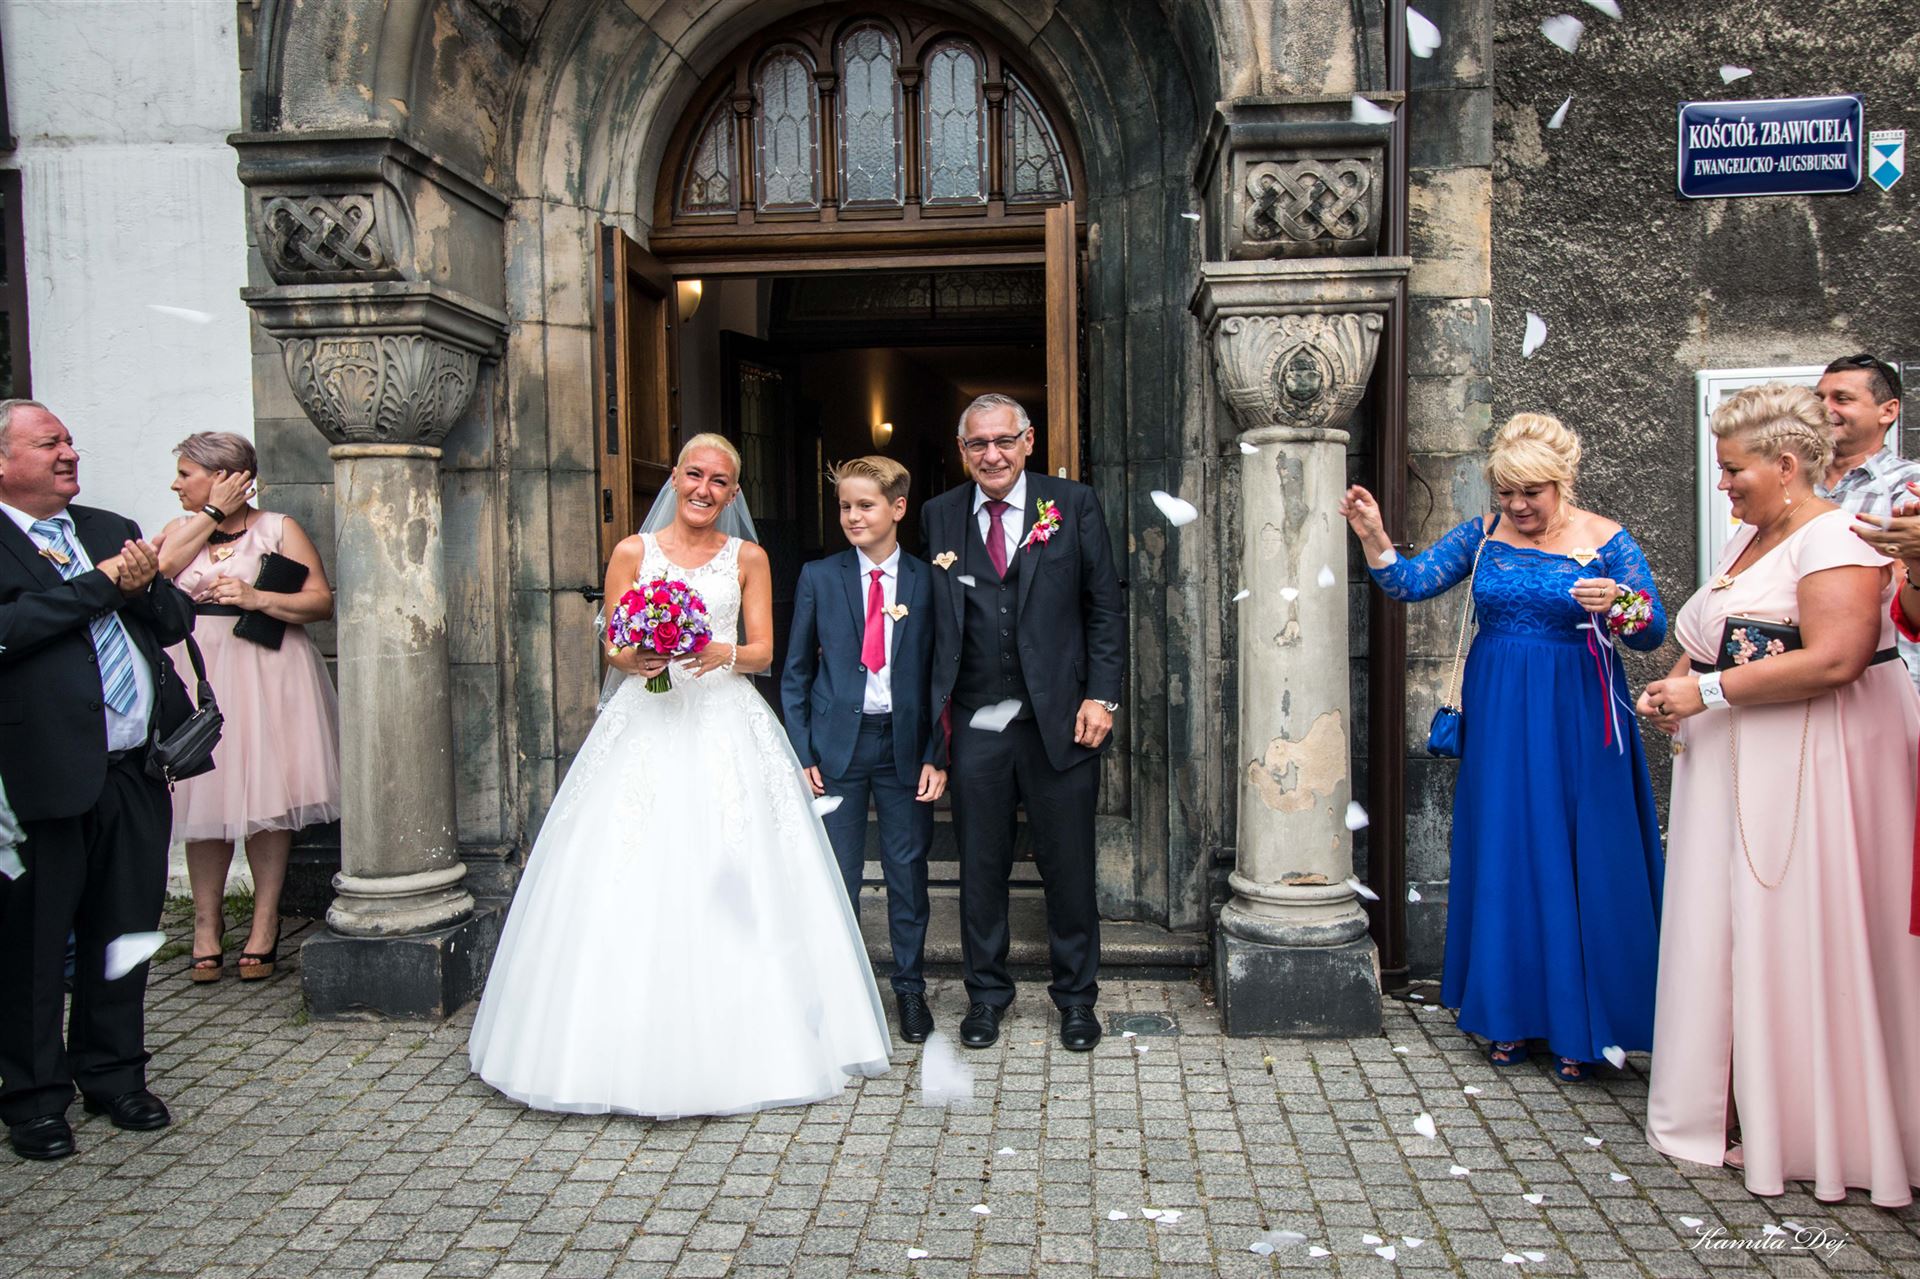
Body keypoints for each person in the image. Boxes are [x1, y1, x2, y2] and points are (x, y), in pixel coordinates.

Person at [468, 433, 891, 1116]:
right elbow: (613, 642)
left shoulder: (748, 558)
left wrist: (723, 650)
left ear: (733, 493)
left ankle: (755, 1039)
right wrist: (634, 655)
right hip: (646, 719)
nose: (703, 489)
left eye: (719, 481)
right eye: (694, 475)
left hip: (725, 719)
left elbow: (763, 651)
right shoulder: (632, 552)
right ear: (674, 477)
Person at [1640, 382, 1920, 1205]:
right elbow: (1718, 637)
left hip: (1813, 764)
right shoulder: (1750, 536)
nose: (1722, 483)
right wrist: (1677, 685)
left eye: (1734, 469)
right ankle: (1730, 1099)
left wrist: (1707, 693)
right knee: (1734, 931)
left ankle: (1814, 1121)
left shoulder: (1834, 538)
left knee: (1801, 930)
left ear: (1788, 464)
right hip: (1737, 763)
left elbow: (1836, 657)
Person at [1340, 413, 1665, 1081]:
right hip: (1501, 714)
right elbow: (1411, 582)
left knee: (1580, 852)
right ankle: (1509, 1014)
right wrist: (1374, 536)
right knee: (1507, 849)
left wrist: (1619, 601)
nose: (1517, 506)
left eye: (1531, 493)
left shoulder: (1607, 539)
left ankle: (1586, 1026)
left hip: (1580, 716)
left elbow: (1651, 631)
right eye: (1506, 492)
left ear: (1561, 482)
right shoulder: (1484, 535)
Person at [0, 400, 195, 1161]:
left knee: (129, 931)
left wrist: (143, 584)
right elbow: (12, 629)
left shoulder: (107, 527)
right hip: (40, 775)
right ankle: (34, 1099)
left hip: (133, 771)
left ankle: (114, 1074)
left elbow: (173, 620)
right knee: (33, 945)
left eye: (71, 440)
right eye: (50, 443)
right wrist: (106, 584)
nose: (69, 453)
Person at [922, 393, 1125, 1052]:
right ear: (963, 451)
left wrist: (1102, 697)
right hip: (976, 720)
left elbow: (1104, 606)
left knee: (1068, 865)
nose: (993, 454)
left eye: (1004, 440)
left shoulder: (1072, 503)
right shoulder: (938, 515)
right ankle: (986, 996)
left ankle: (1076, 999)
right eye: (978, 444)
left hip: (1060, 718)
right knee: (980, 865)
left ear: (1028, 441)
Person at [153, 432, 339, 982]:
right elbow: (157, 574)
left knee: (268, 795)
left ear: (224, 475)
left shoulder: (278, 528)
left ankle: (264, 923)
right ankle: (205, 926)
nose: (175, 484)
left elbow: (320, 602)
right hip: (198, 670)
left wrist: (257, 597)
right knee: (203, 796)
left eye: (186, 473)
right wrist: (210, 514)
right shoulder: (178, 531)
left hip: (267, 669)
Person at [781, 456, 945, 1044]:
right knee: (837, 873)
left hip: (904, 746)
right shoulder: (819, 577)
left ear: (897, 508)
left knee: (907, 871)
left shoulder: (928, 580)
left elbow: (942, 676)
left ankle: (910, 988)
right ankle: (840, 992)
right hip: (836, 749)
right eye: (845, 506)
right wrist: (802, 752)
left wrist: (936, 754)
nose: (852, 516)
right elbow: (796, 672)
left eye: (865, 505)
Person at [1813, 353, 1920, 689]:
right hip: (1808, 681)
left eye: (1842, 399)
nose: (1824, 409)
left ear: (1888, 411)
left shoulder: (1910, 484)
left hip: (1888, 683)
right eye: (1819, 398)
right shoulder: (1792, 482)